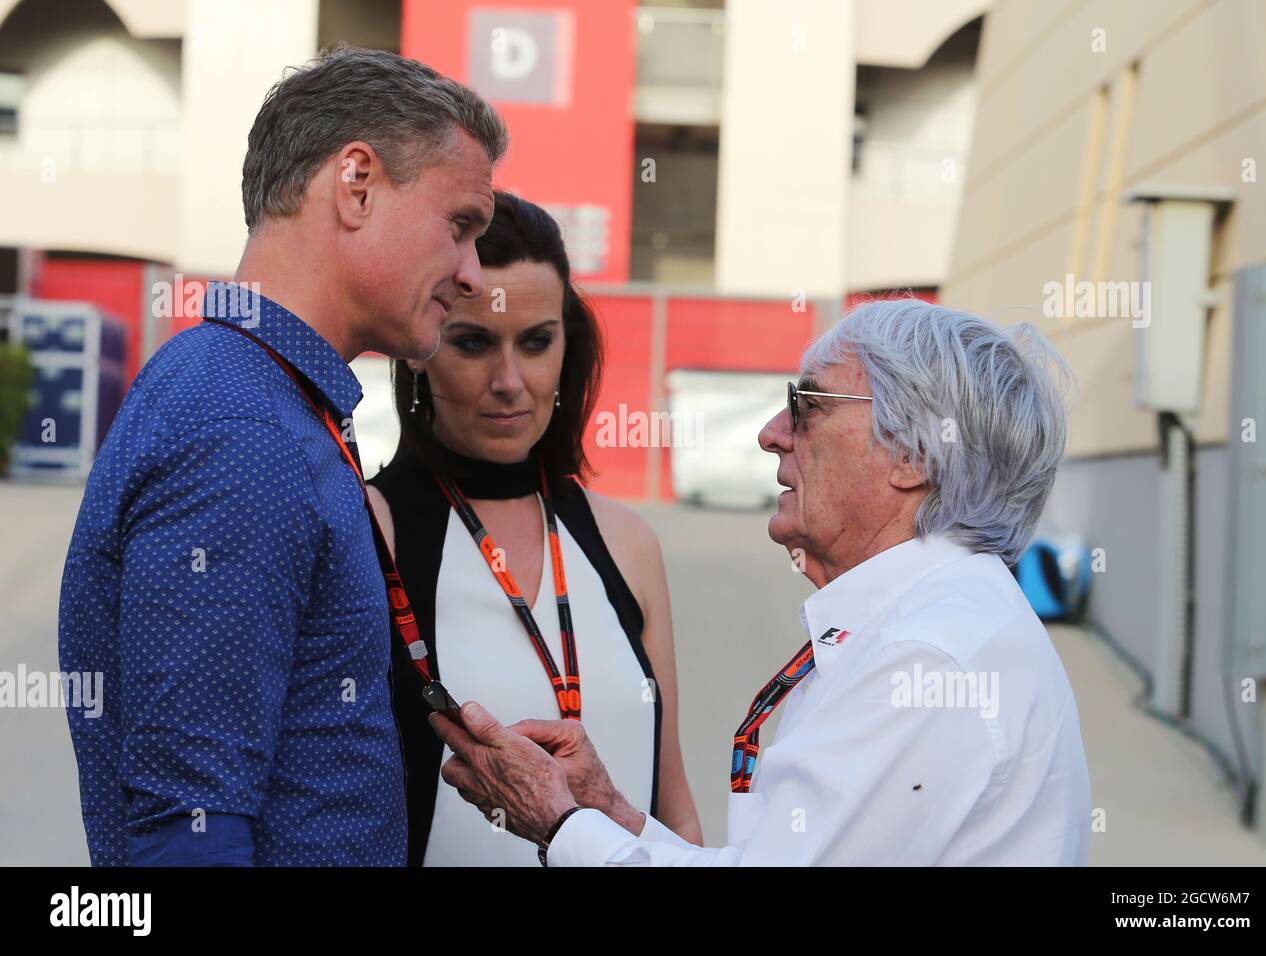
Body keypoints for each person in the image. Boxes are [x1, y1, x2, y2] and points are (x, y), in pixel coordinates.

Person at [430, 298, 1094, 866]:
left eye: (806, 404)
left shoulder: (926, 657)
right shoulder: (943, 625)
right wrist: (602, 808)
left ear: (914, 456)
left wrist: (558, 821)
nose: (771, 434)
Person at [57, 45, 507, 866]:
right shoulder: (244, 429)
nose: (473, 274)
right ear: (356, 183)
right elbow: (189, 831)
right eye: (461, 226)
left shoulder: (260, 399)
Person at [366, 191, 701, 865]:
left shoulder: (628, 543)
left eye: (537, 342)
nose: (510, 381)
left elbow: (674, 813)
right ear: (418, 348)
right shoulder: (374, 526)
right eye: (473, 343)